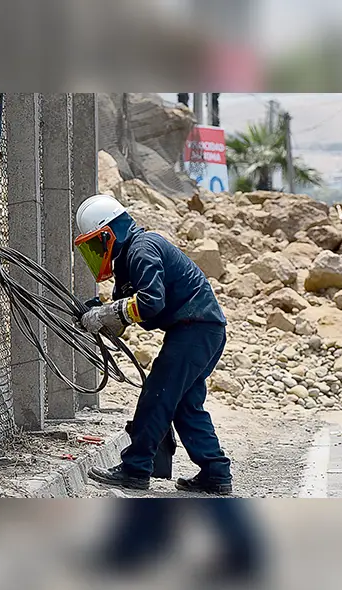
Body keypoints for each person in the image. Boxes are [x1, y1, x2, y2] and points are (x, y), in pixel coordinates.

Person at [74, 194, 233, 494]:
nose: (96, 252)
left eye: (97, 243)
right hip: (203, 329)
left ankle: (136, 468)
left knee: (157, 395)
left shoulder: (142, 250)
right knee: (185, 404)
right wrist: (100, 315)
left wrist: (105, 313)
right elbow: (128, 312)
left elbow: (150, 302)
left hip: (195, 329)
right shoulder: (130, 259)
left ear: (110, 233)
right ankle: (215, 471)